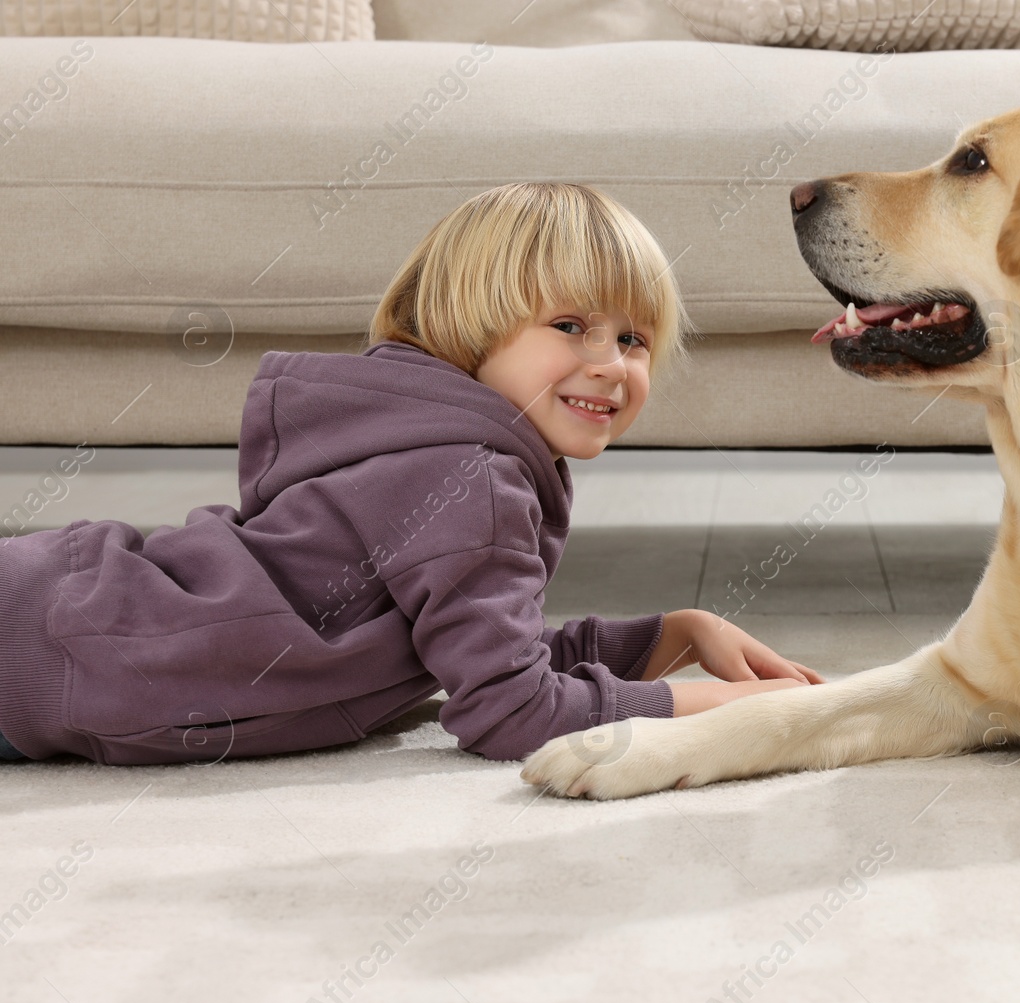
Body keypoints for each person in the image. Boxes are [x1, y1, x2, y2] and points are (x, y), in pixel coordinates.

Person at [0, 182, 822, 765]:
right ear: (467, 326)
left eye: (634, 340)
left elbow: (468, 649)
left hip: (54, 619)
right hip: (45, 653)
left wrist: (668, 634)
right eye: (571, 326)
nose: (610, 364)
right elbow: (512, 712)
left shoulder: (440, 453)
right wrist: (723, 708)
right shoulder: (472, 477)